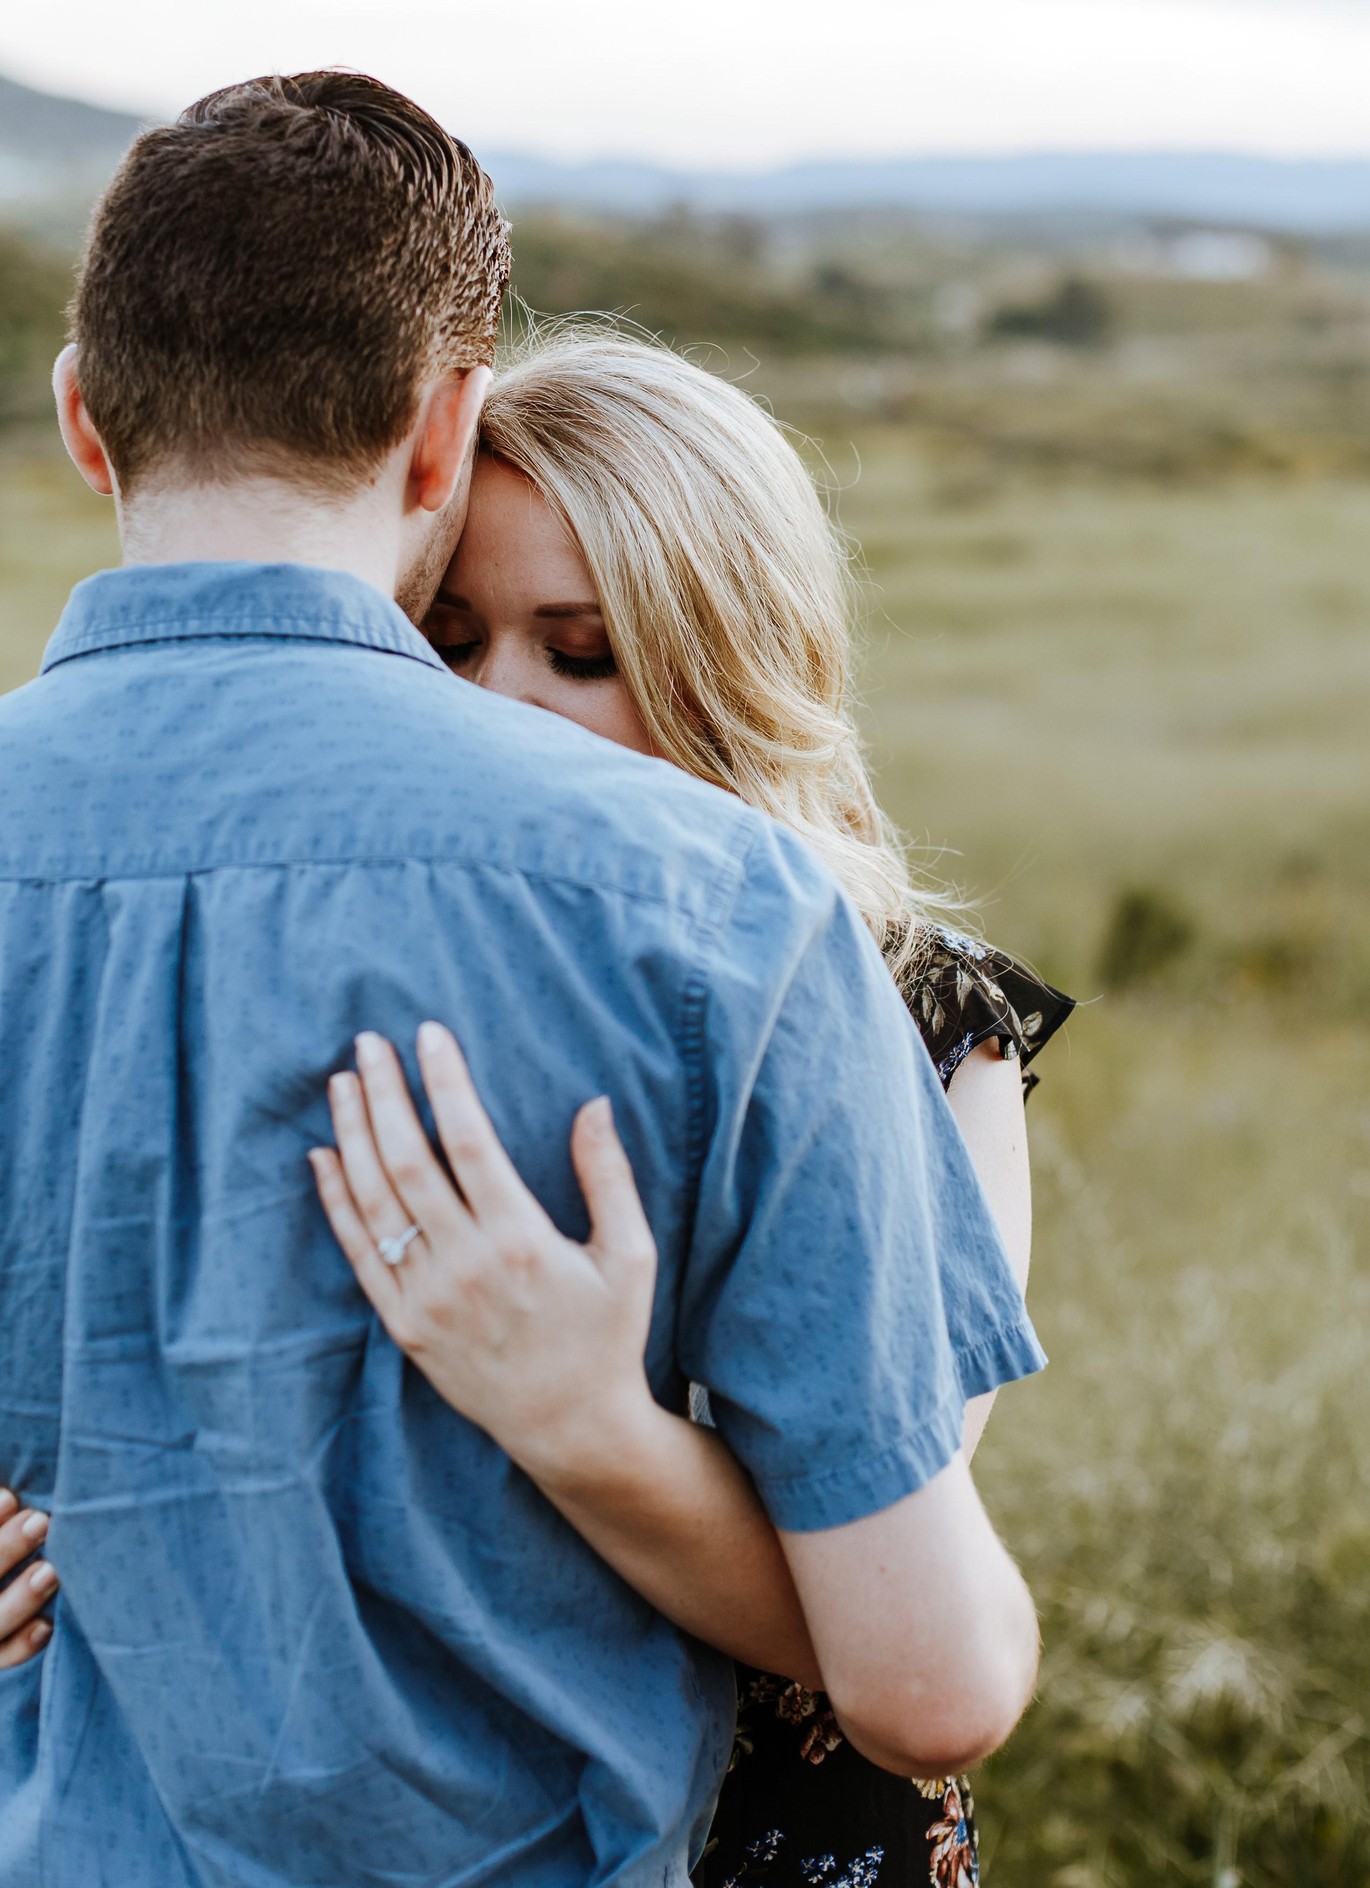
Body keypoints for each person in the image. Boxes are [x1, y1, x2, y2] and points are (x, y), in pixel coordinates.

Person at [0, 72, 1041, 1888]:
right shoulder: (721, 921)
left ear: (84, 417)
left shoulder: (865, 976)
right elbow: (933, 1661)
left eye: (581, 651)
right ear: (438, 437)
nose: (497, 704)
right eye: (456, 636)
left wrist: (587, 1420)